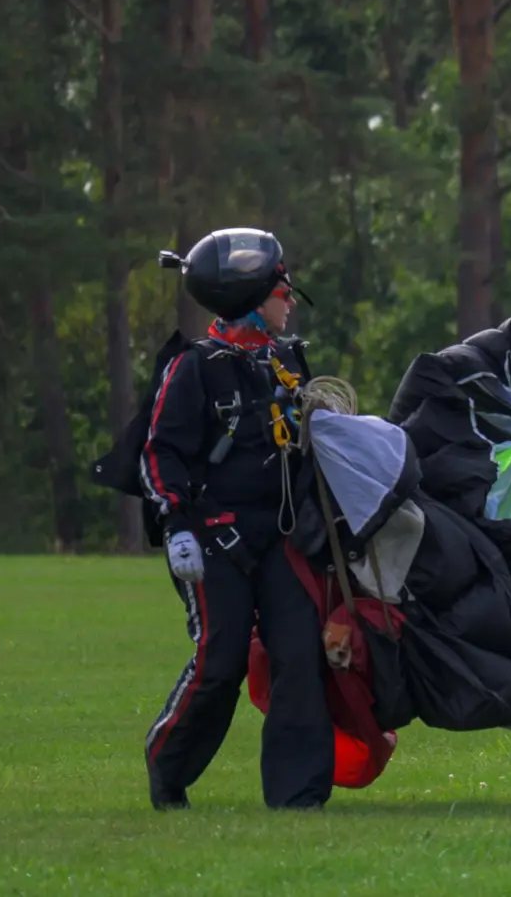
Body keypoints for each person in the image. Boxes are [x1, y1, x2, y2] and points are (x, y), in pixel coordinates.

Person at [134, 228, 335, 810]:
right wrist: (175, 524)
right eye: (280, 289)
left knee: (299, 655)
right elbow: (159, 452)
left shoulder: (288, 360)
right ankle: (168, 766)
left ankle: (298, 799)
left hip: (281, 539)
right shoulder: (192, 367)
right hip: (211, 541)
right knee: (220, 663)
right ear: (249, 297)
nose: (289, 298)